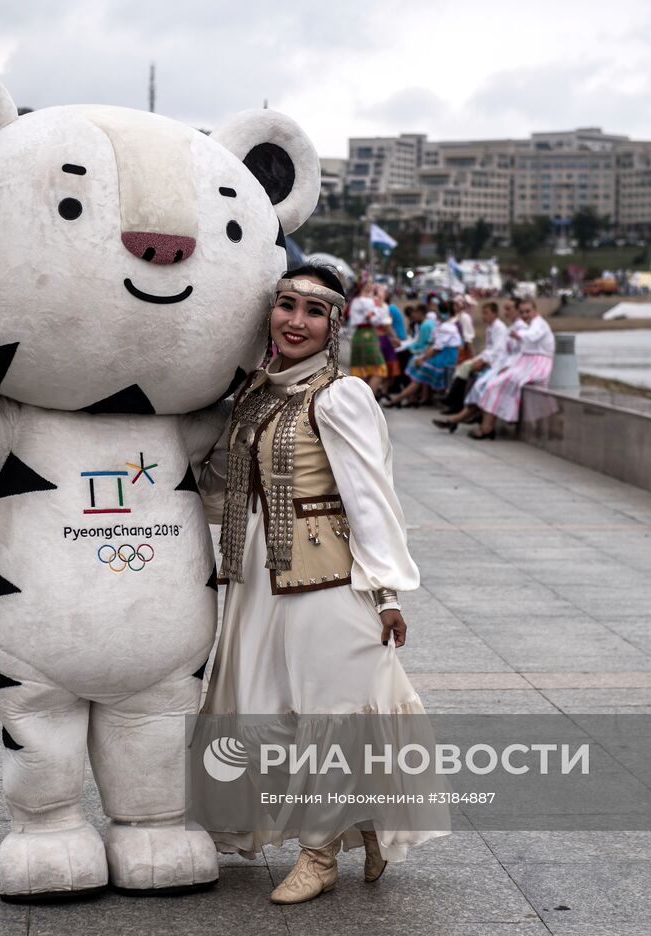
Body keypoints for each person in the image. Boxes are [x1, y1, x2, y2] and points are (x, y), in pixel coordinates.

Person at [199, 263, 448, 905]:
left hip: (327, 577)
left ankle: (319, 851)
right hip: (255, 575)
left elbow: (371, 497)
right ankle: (359, 819)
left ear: (334, 325)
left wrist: (387, 592)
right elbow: (222, 480)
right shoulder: (256, 391)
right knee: (260, 714)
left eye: (314, 312)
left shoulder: (340, 396)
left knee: (330, 714)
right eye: (286, 306)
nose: (296, 322)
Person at [464, 297, 553, 439]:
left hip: (538, 364)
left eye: (528, 312)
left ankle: (487, 427)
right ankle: (487, 425)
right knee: (494, 384)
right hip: (526, 362)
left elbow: (532, 336)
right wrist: (508, 366)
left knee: (501, 383)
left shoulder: (538, 324)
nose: (525, 315)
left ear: (535, 311)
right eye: (522, 312)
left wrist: (518, 335)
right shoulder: (528, 325)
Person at [383, 303, 462, 408]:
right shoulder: (440, 325)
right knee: (416, 371)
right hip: (441, 355)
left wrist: (423, 358)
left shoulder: (446, 327)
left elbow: (436, 348)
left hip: (444, 358)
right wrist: (422, 357)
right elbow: (432, 345)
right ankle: (411, 398)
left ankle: (398, 399)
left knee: (418, 376)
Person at [439, 301, 507, 415]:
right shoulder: (490, 327)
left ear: (495, 313)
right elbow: (489, 348)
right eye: (483, 313)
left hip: (496, 360)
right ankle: (455, 401)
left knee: (466, 369)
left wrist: (483, 360)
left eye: (486, 313)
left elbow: (498, 349)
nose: (484, 316)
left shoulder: (499, 328)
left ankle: (454, 401)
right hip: (488, 357)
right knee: (463, 368)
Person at [346, 284, 387, 391]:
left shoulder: (357, 301)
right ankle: (369, 400)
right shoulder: (364, 301)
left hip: (359, 335)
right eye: (370, 283)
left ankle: (361, 401)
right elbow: (375, 319)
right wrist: (381, 300)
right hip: (367, 335)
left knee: (361, 370)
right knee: (379, 369)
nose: (374, 286)